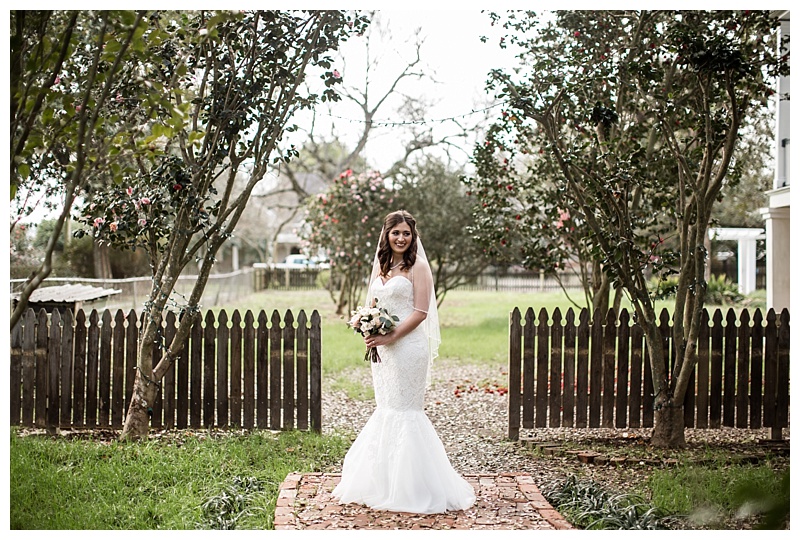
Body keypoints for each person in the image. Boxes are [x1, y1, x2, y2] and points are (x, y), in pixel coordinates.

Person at [331, 210, 476, 514]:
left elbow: (420, 312)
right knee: (385, 409)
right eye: (395, 232)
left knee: (405, 411)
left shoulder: (418, 267)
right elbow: (372, 304)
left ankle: (414, 488)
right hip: (383, 351)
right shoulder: (383, 265)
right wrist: (365, 325)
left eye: (406, 233)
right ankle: (381, 483)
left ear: (413, 236)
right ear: (386, 235)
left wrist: (389, 337)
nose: (400, 238)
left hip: (408, 348)